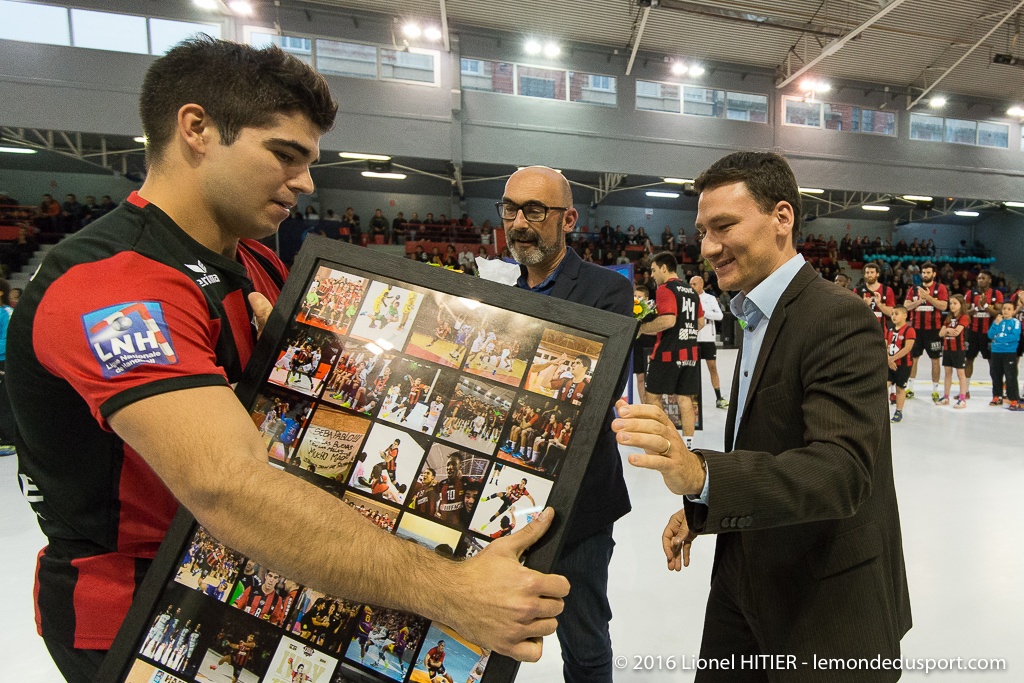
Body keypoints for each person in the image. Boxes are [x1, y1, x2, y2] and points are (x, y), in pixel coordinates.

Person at [7, 38, 567, 683]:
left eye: (308, 160)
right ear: (197, 129)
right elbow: (228, 487)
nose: (305, 182)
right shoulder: (113, 286)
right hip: (140, 617)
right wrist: (452, 588)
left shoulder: (256, 260)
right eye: (284, 154)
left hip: (261, 583)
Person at [612, 151, 910, 681]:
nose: (707, 247)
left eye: (724, 226)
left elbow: (842, 472)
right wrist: (705, 505)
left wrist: (703, 475)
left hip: (822, 600)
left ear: (782, 218)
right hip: (743, 579)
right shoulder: (752, 312)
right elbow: (766, 441)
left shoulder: (838, 317)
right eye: (702, 231)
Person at [499, 165, 632, 682]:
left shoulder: (606, 291)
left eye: (535, 210)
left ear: (568, 219)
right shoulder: (499, 294)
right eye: (510, 209)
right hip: (507, 496)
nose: (519, 223)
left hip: (579, 507)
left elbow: (599, 395)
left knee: (584, 640)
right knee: (495, 633)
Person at [639, 253, 704, 449]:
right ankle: (688, 445)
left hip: (667, 353)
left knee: (652, 397)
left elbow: (668, 320)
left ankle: (664, 441)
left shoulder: (665, 289)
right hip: (690, 353)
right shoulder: (691, 291)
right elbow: (700, 323)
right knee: (685, 399)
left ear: (664, 268)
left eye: (653, 270)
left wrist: (642, 328)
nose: (652, 275)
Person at [903, 261, 948, 401]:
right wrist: (919, 301)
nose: (925, 275)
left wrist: (928, 297)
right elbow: (906, 307)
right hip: (916, 330)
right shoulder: (914, 289)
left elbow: (943, 306)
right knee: (913, 358)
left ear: (934, 274)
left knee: (935, 359)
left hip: (934, 331)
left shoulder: (940, 288)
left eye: (928, 272)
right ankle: (910, 388)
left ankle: (935, 390)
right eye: (923, 272)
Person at [690, 275, 728, 409]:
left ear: (701, 285)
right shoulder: (688, 298)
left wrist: (703, 313)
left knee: (712, 368)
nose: (692, 287)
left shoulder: (710, 299)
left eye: (694, 284)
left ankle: (719, 397)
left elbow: (720, 316)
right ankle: (693, 400)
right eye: (690, 284)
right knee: (692, 370)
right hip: (692, 338)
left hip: (707, 338)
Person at [964, 270, 1003, 394]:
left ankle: (997, 392)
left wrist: (985, 306)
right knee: (968, 360)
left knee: (992, 361)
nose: (980, 280)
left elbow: (998, 313)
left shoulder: (996, 294)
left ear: (989, 280)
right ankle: (965, 391)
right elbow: (963, 312)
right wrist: (976, 308)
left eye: (983, 278)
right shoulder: (970, 294)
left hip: (990, 333)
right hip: (972, 332)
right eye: (979, 278)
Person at [987, 301, 1021, 410]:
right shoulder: (997, 321)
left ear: (1014, 311)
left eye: (1009, 309)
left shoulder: (1015, 322)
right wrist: (996, 324)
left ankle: (1014, 399)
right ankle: (997, 396)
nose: (1006, 311)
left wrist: (998, 338)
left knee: (1010, 376)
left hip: (1009, 352)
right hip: (996, 352)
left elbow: (1014, 337)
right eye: (1004, 308)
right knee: (995, 375)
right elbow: (990, 335)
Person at [939, 294, 970, 408]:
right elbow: (940, 333)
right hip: (947, 348)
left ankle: (962, 399)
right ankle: (946, 396)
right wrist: (948, 330)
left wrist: (947, 331)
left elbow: (957, 332)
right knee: (947, 373)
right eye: (951, 303)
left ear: (961, 305)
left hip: (958, 349)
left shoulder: (964, 317)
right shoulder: (948, 318)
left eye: (955, 303)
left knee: (961, 373)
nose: (952, 305)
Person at [886, 305, 916, 423]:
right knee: (883, 386)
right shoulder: (890, 329)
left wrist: (892, 359)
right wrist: (888, 359)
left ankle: (899, 412)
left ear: (905, 315)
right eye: (892, 314)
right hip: (890, 364)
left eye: (896, 314)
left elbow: (907, 348)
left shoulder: (909, 330)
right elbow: (886, 345)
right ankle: (881, 411)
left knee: (900, 388)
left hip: (903, 365)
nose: (893, 316)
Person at [855, 261, 895, 330]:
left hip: (881, 328)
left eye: (872, 272)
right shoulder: (858, 290)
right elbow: (853, 312)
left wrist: (879, 304)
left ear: (877, 274)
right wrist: (865, 304)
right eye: (867, 273)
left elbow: (891, 313)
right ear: (864, 275)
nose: (869, 275)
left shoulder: (887, 290)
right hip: (863, 329)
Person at [0, 279, 15, 456]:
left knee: (4, 400)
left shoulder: (7, 313)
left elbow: (8, 339)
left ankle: (9, 438)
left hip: (3, 360)